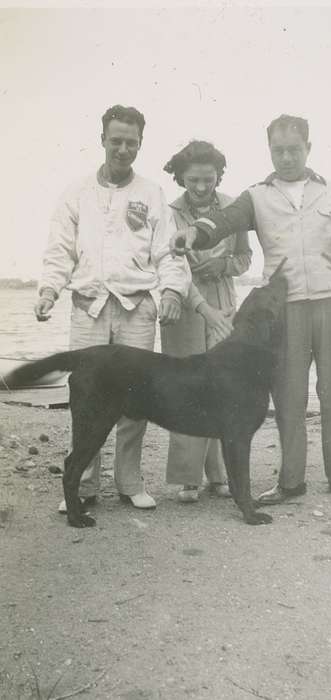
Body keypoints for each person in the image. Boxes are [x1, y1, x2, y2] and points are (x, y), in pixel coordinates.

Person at [170, 114, 331, 504]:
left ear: (308, 148)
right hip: (287, 309)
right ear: (270, 152)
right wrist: (193, 232)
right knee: (288, 395)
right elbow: (223, 220)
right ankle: (290, 482)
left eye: (294, 149)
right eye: (278, 151)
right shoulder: (257, 195)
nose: (286, 158)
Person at [35, 104, 190, 513]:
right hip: (89, 308)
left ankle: (129, 481)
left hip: (136, 308)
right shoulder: (77, 192)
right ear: (102, 139)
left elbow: (168, 254)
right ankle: (83, 486)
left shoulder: (152, 194)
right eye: (116, 140)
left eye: (132, 142)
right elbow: (59, 250)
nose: (123, 149)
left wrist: (172, 293)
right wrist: (49, 290)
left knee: (135, 401)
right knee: (85, 400)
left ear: (140, 144)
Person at [161, 140, 252, 503]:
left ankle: (220, 476)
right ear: (181, 177)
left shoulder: (233, 208)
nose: (201, 187)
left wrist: (225, 265)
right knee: (185, 386)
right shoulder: (168, 213)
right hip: (183, 303)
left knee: (223, 387)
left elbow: (245, 258)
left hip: (223, 300)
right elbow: (165, 261)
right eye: (194, 180)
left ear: (218, 176)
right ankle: (188, 478)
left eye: (209, 180)